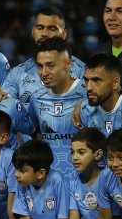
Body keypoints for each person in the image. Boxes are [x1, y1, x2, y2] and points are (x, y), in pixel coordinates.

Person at [1, 6, 85, 112]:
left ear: (64, 34)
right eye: (40, 28)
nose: (44, 33)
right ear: (33, 31)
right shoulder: (17, 74)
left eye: (52, 28)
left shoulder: (83, 72)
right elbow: (4, 111)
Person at [25, 37, 85, 177]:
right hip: (50, 181)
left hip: (83, 182)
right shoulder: (36, 97)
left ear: (68, 64)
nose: (44, 73)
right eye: (40, 66)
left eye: (50, 65)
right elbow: (34, 132)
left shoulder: (88, 93)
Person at [11, 140, 70, 219]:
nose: (16, 174)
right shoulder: (23, 185)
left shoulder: (57, 181)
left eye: (22, 170)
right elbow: (24, 218)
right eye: (16, 169)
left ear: (41, 173)